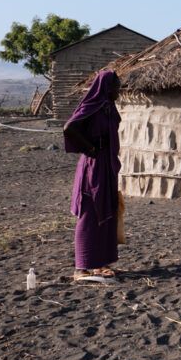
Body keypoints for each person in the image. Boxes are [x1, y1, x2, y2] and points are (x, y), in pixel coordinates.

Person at [63, 70, 122, 280]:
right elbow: (69, 127)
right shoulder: (92, 107)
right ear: (106, 87)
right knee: (90, 212)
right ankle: (81, 267)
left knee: (106, 211)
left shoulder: (108, 108)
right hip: (94, 167)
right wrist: (90, 148)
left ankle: (99, 264)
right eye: (116, 87)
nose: (119, 91)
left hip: (106, 165)